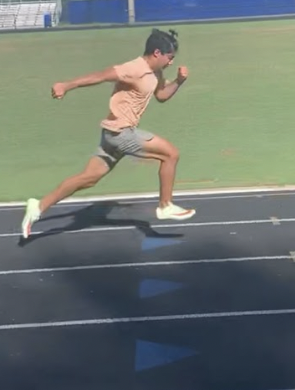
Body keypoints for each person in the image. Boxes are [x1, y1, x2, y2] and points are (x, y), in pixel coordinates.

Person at [21, 27, 196, 239]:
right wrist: (66, 85)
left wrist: (178, 81)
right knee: (170, 154)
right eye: (169, 58)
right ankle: (165, 205)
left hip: (111, 135)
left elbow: (161, 95)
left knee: (88, 178)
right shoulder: (134, 68)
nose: (171, 62)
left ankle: (38, 207)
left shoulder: (156, 73)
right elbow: (101, 76)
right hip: (121, 133)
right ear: (157, 53)